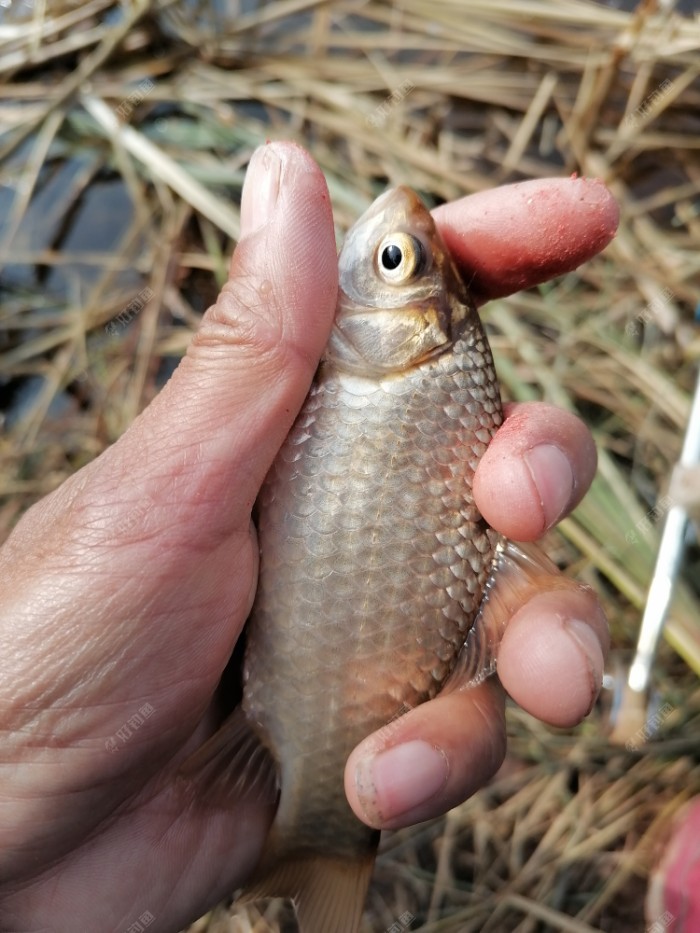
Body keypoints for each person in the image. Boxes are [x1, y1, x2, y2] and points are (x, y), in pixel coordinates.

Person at [0, 142, 613, 931]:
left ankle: (325, 846)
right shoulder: (350, 364)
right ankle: (322, 849)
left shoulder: (380, 374)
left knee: (524, 524)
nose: (377, 249)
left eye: (392, 261)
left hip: (244, 743)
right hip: (240, 725)